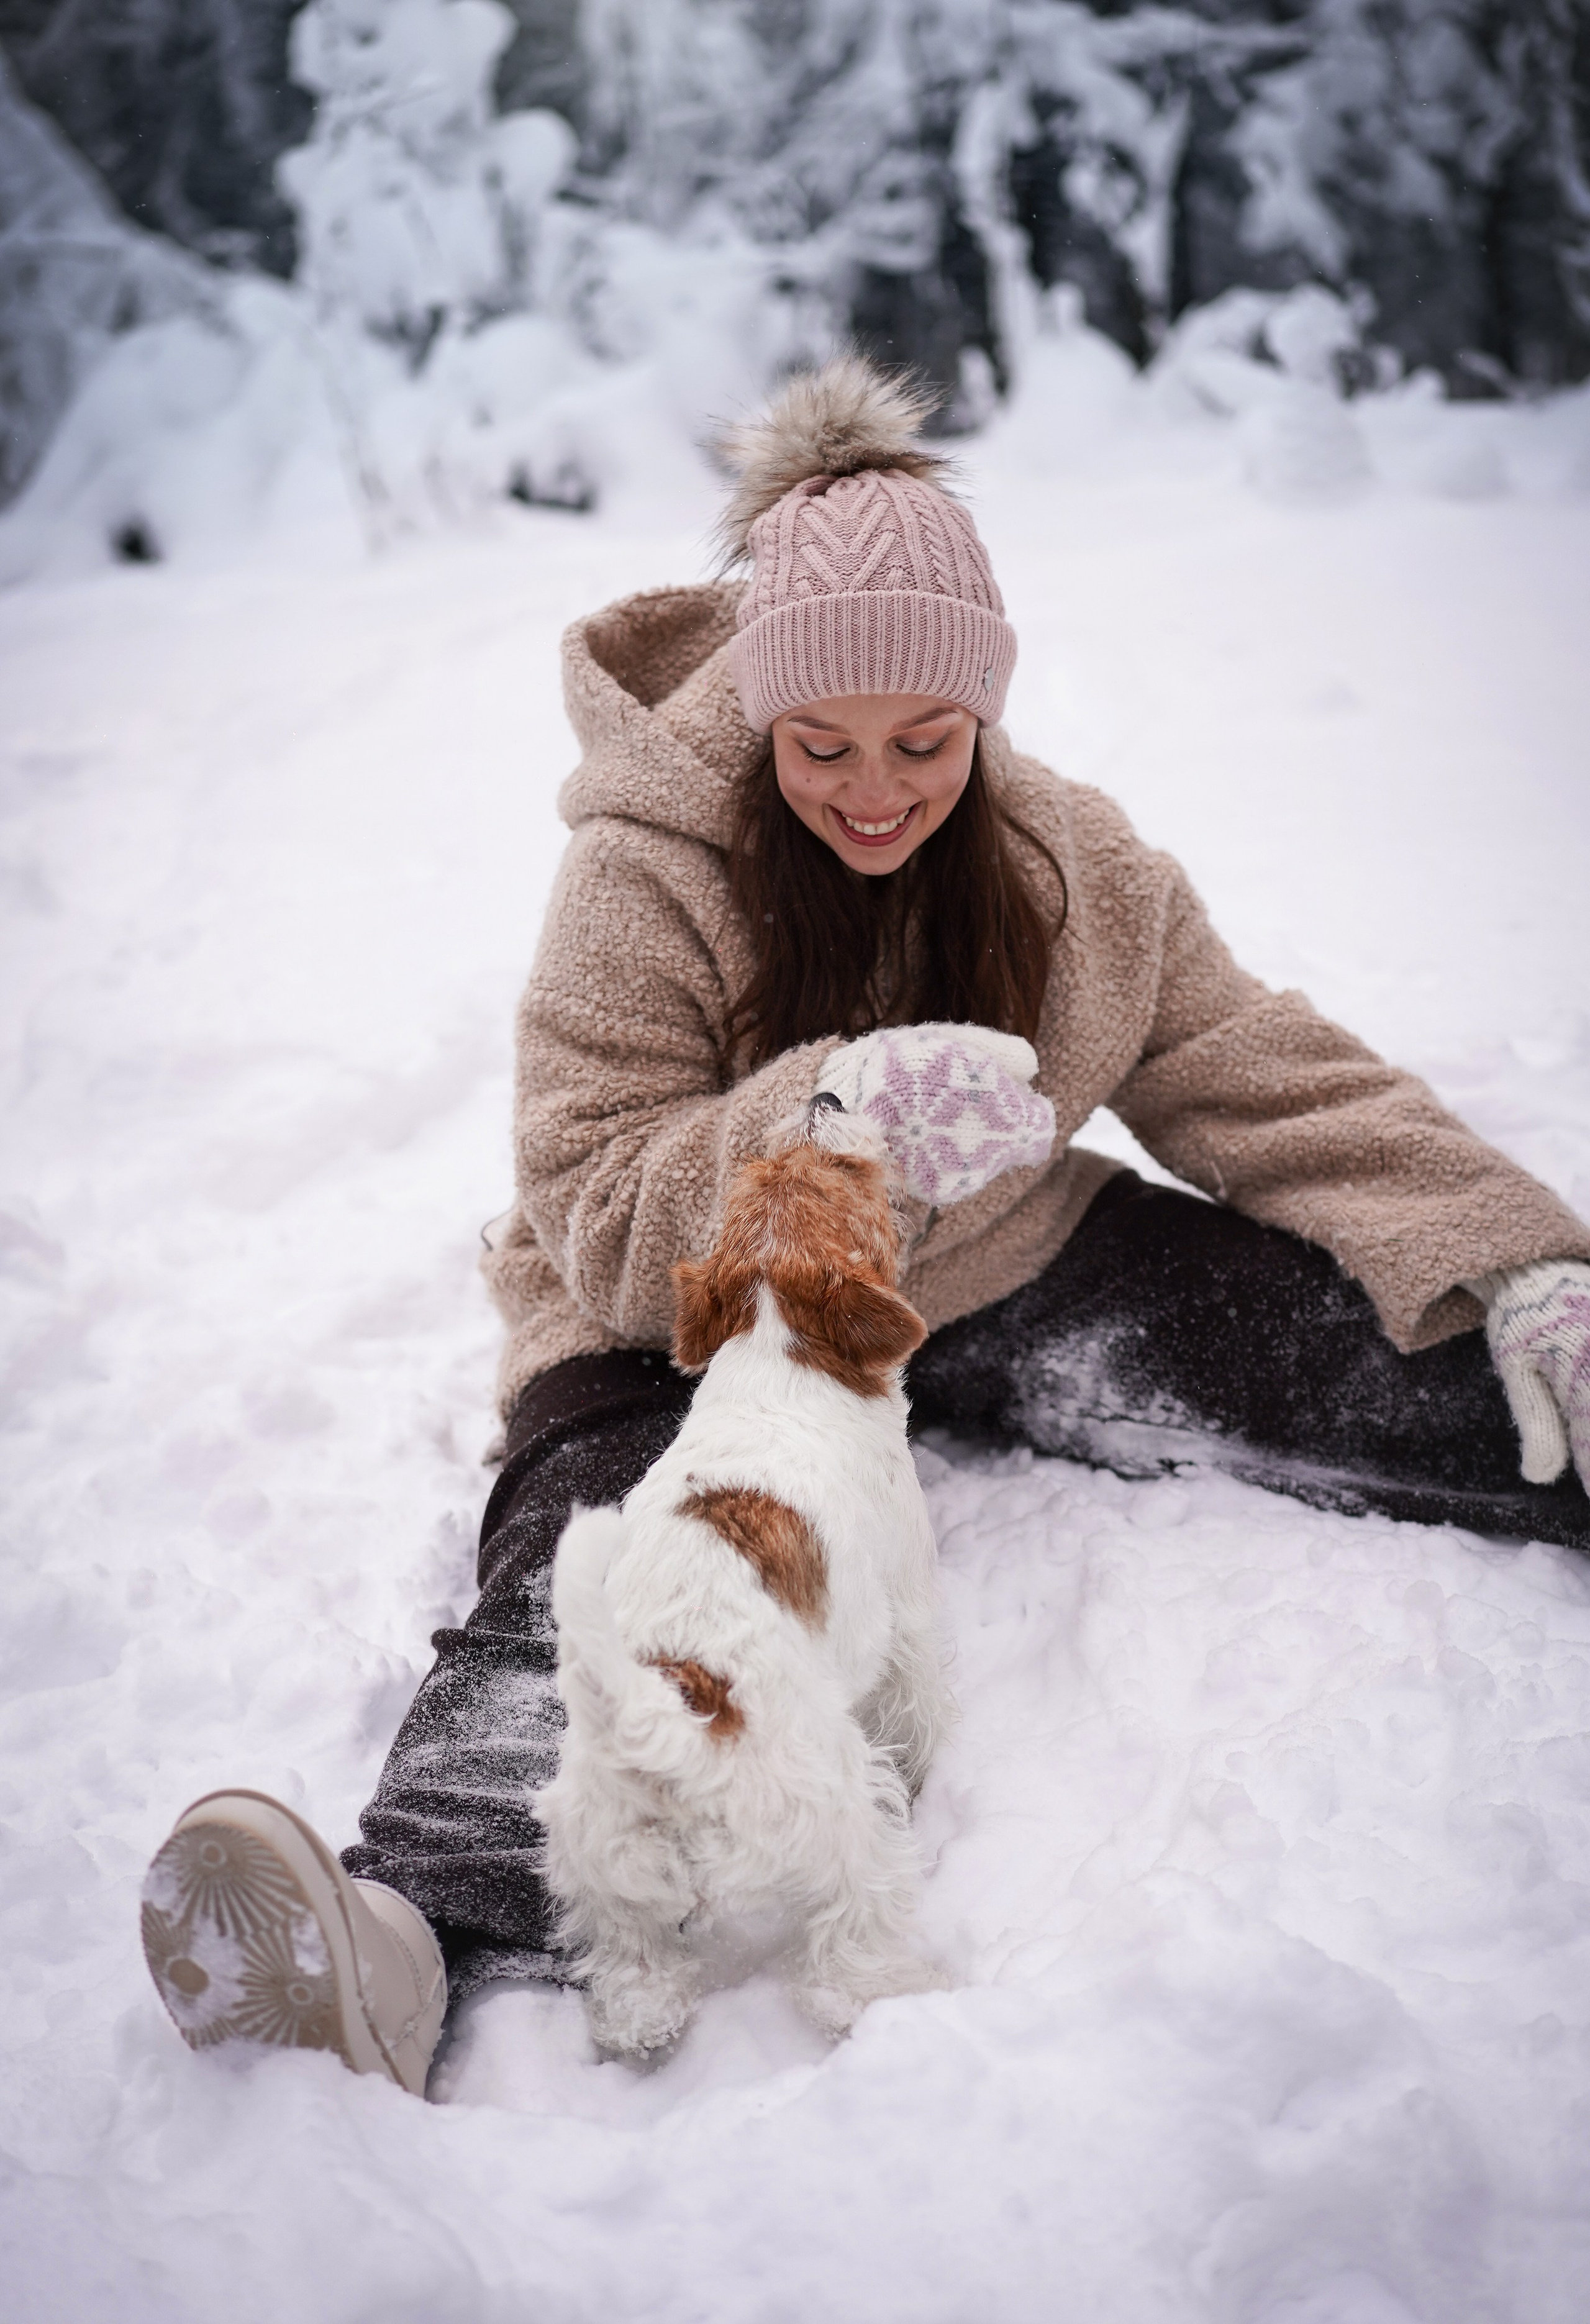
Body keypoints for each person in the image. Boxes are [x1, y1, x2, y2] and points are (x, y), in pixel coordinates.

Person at [140, 358, 1590, 2097]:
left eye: (927, 742)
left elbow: (1266, 1075)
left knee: (1387, 1348)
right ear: (760, 718)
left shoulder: (1074, 871)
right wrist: (821, 1120)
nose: (876, 789)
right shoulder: (642, 871)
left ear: (986, 715)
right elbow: (591, 1190)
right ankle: (393, 1943)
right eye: (820, 747)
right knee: (598, 1587)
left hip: (996, 1262)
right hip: (672, 1322)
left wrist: (1517, 1248)